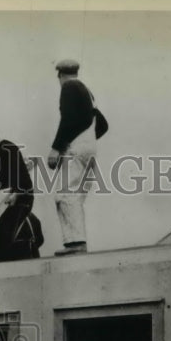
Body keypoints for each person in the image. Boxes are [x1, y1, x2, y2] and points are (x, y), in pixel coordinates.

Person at [47, 59, 108, 255]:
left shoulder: (68, 87)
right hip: (89, 149)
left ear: (60, 75)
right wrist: (87, 140)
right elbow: (103, 124)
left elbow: (68, 119)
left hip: (76, 148)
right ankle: (78, 242)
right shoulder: (87, 92)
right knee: (76, 195)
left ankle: (75, 243)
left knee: (65, 194)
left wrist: (56, 148)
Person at [0, 121, 44, 263]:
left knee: (6, 233)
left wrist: (16, 194)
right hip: (3, 200)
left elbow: (20, 177)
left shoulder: (8, 148)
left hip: (22, 196)